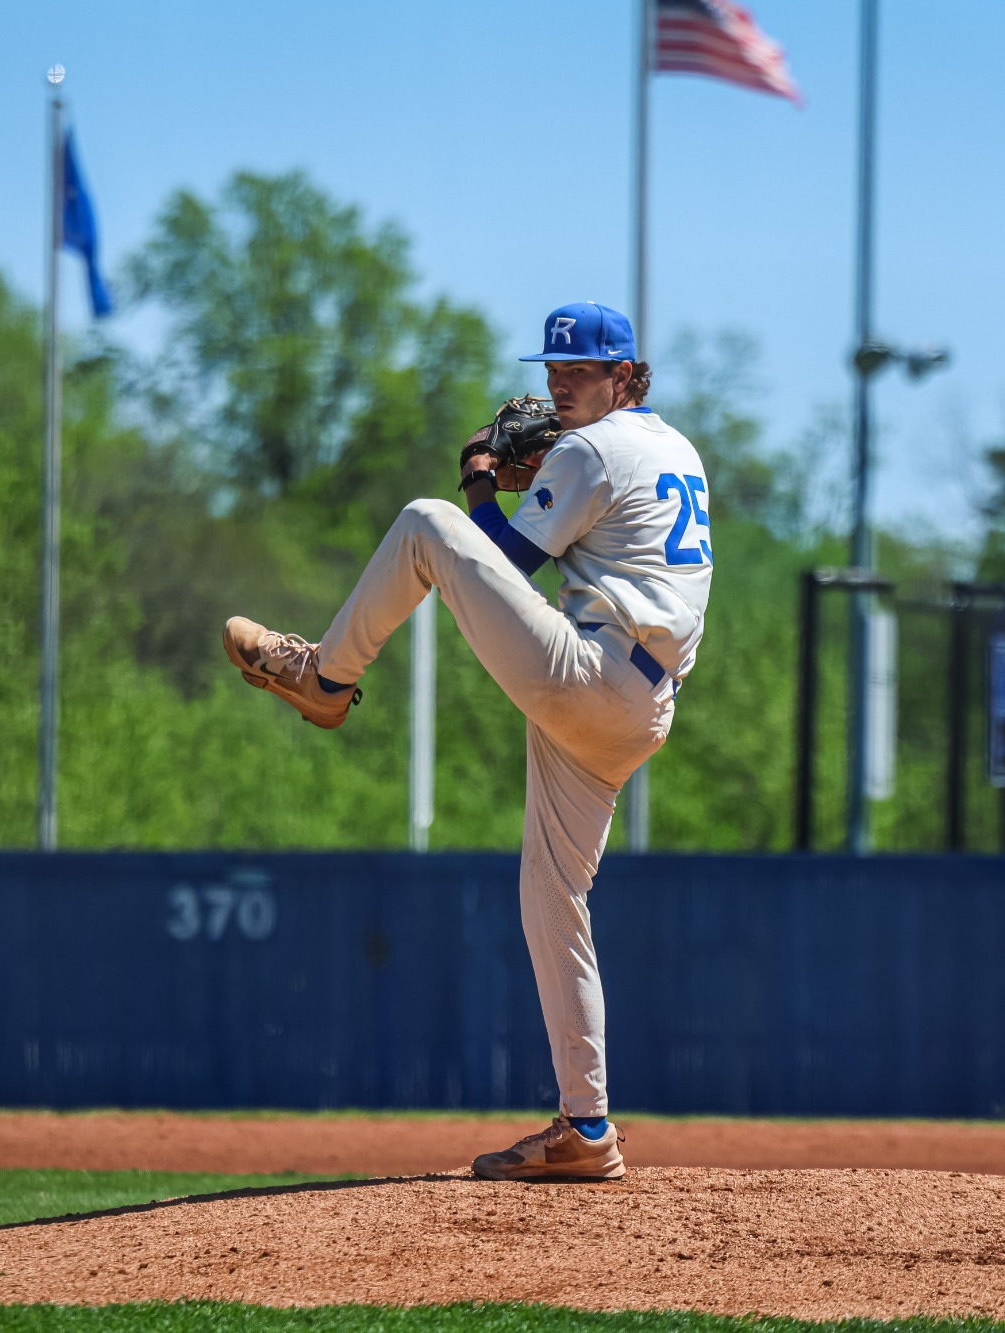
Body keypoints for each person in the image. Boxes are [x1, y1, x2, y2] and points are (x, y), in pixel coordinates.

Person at [221, 301, 712, 1180]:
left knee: (424, 523)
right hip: (637, 704)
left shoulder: (597, 448)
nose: (561, 389)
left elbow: (506, 558)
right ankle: (587, 1127)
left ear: (628, 378)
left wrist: (483, 480)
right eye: (555, 374)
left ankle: (323, 679)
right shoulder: (676, 451)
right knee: (551, 896)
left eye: (583, 374)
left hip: (592, 670)